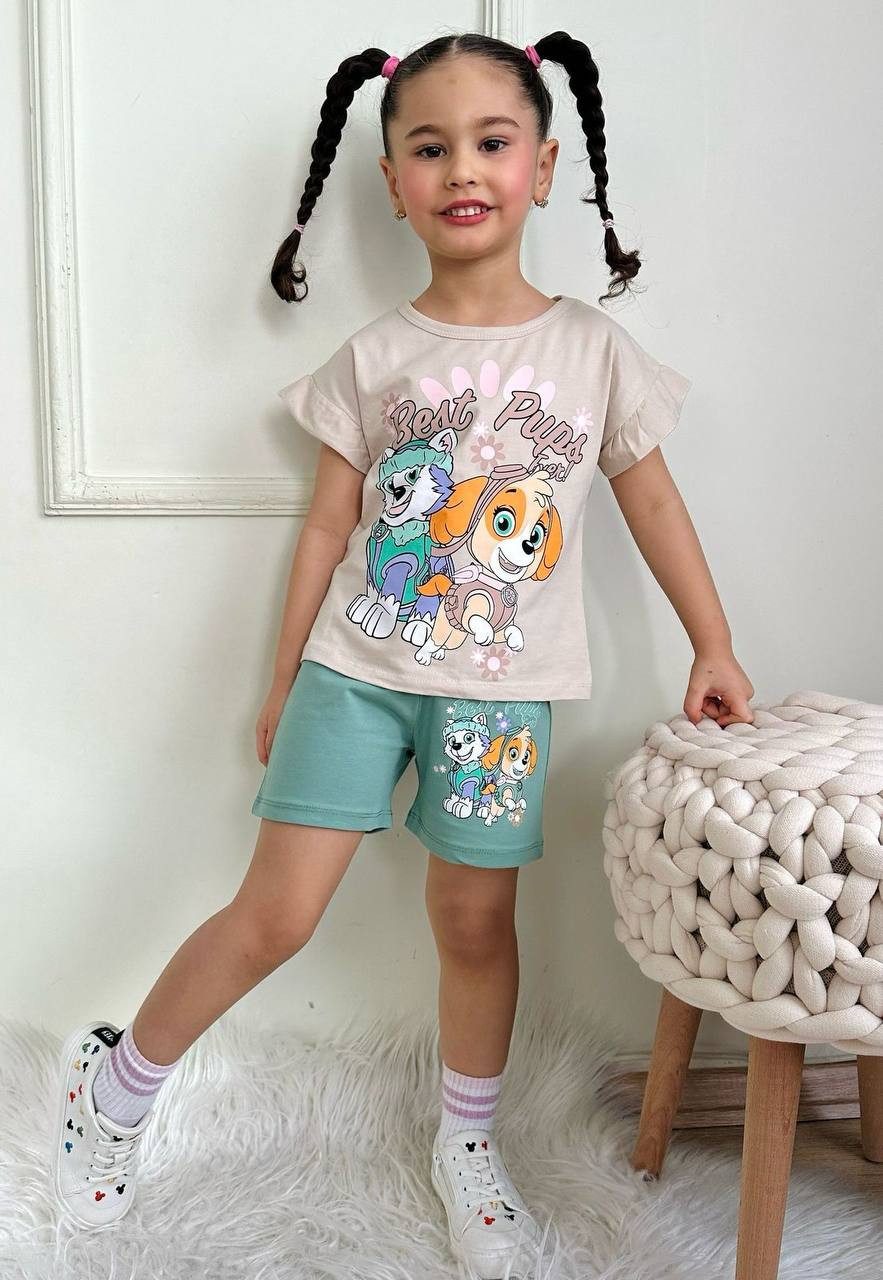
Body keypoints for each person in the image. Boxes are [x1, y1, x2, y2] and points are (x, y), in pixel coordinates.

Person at [52, 28, 755, 1276]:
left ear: (544, 165)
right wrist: (283, 677)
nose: (461, 168)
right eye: (429, 147)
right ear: (392, 181)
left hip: (499, 701)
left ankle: (468, 1146)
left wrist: (714, 641)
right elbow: (330, 526)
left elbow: (651, 499)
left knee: (475, 921)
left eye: (491, 141)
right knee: (276, 913)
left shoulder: (592, 351)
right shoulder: (374, 360)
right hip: (355, 675)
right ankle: (113, 1091)